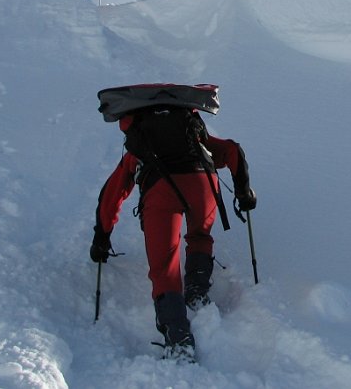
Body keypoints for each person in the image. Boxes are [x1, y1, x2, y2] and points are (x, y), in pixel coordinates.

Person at [90, 104, 257, 361]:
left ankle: (178, 336)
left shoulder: (139, 151)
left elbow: (110, 198)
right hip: (203, 183)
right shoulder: (196, 140)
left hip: (160, 190)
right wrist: (244, 193)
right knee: (200, 236)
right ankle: (197, 291)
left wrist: (101, 239)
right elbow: (233, 150)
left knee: (164, 265)